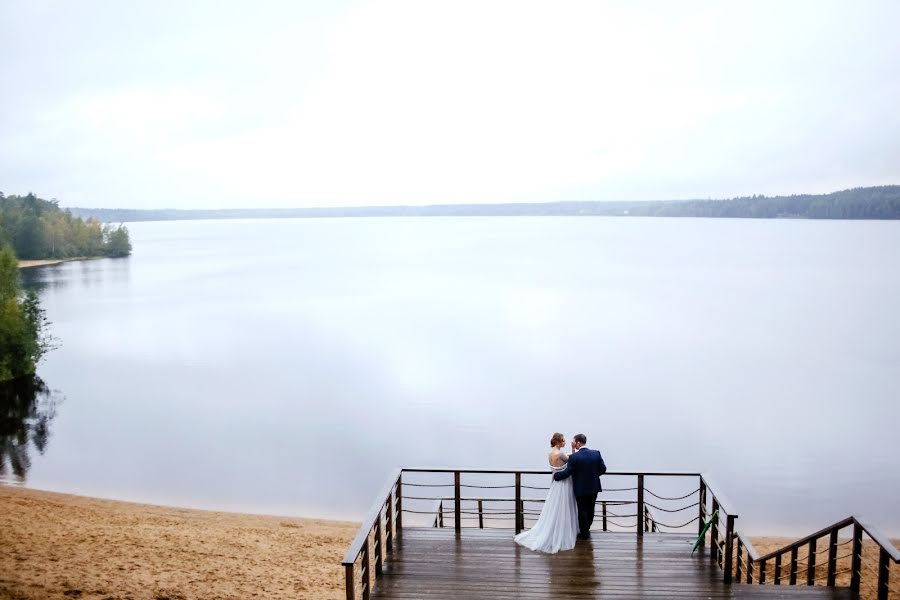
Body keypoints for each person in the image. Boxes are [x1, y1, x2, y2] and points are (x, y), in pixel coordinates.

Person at [513, 433, 578, 553]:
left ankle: (554, 528)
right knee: (563, 506)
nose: (564, 443)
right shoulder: (560, 453)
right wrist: (574, 450)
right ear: (558, 442)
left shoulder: (551, 453)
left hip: (555, 482)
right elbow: (572, 461)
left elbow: (558, 463)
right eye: (563, 441)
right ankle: (562, 531)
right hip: (564, 483)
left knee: (555, 507)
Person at [552, 433, 607, 539]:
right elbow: (603, 469)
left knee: (582, 510)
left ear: (577, 442)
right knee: (591, 509)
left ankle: (584, 532)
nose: (573, 443)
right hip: (593, 486)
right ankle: (587, 529)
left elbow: (568, 472)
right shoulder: (596, 453)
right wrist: (594, 476)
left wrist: (556, 476)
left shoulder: (575, 457)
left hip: (580, 488)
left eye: (574, 441)